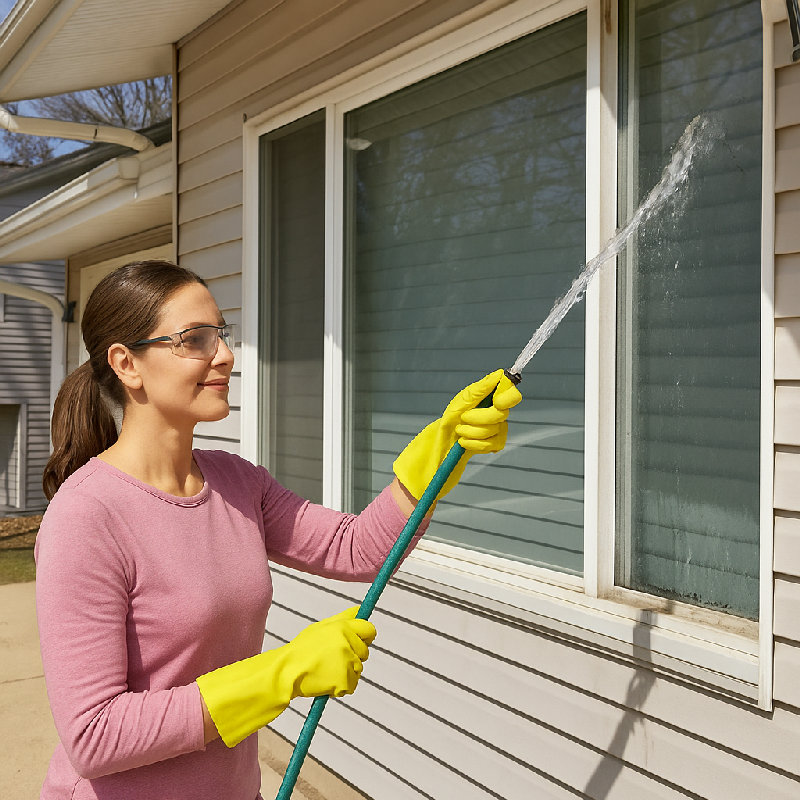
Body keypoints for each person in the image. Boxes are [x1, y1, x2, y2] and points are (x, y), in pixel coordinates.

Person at [34, 260, 522, 799]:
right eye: (193, 340)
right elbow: (94, 736)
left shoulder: (236, 482)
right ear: (127, 364)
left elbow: (357, 549)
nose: (224, 355)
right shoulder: (87, 517)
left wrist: (437, 456)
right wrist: (282, 673)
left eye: (220, 334)